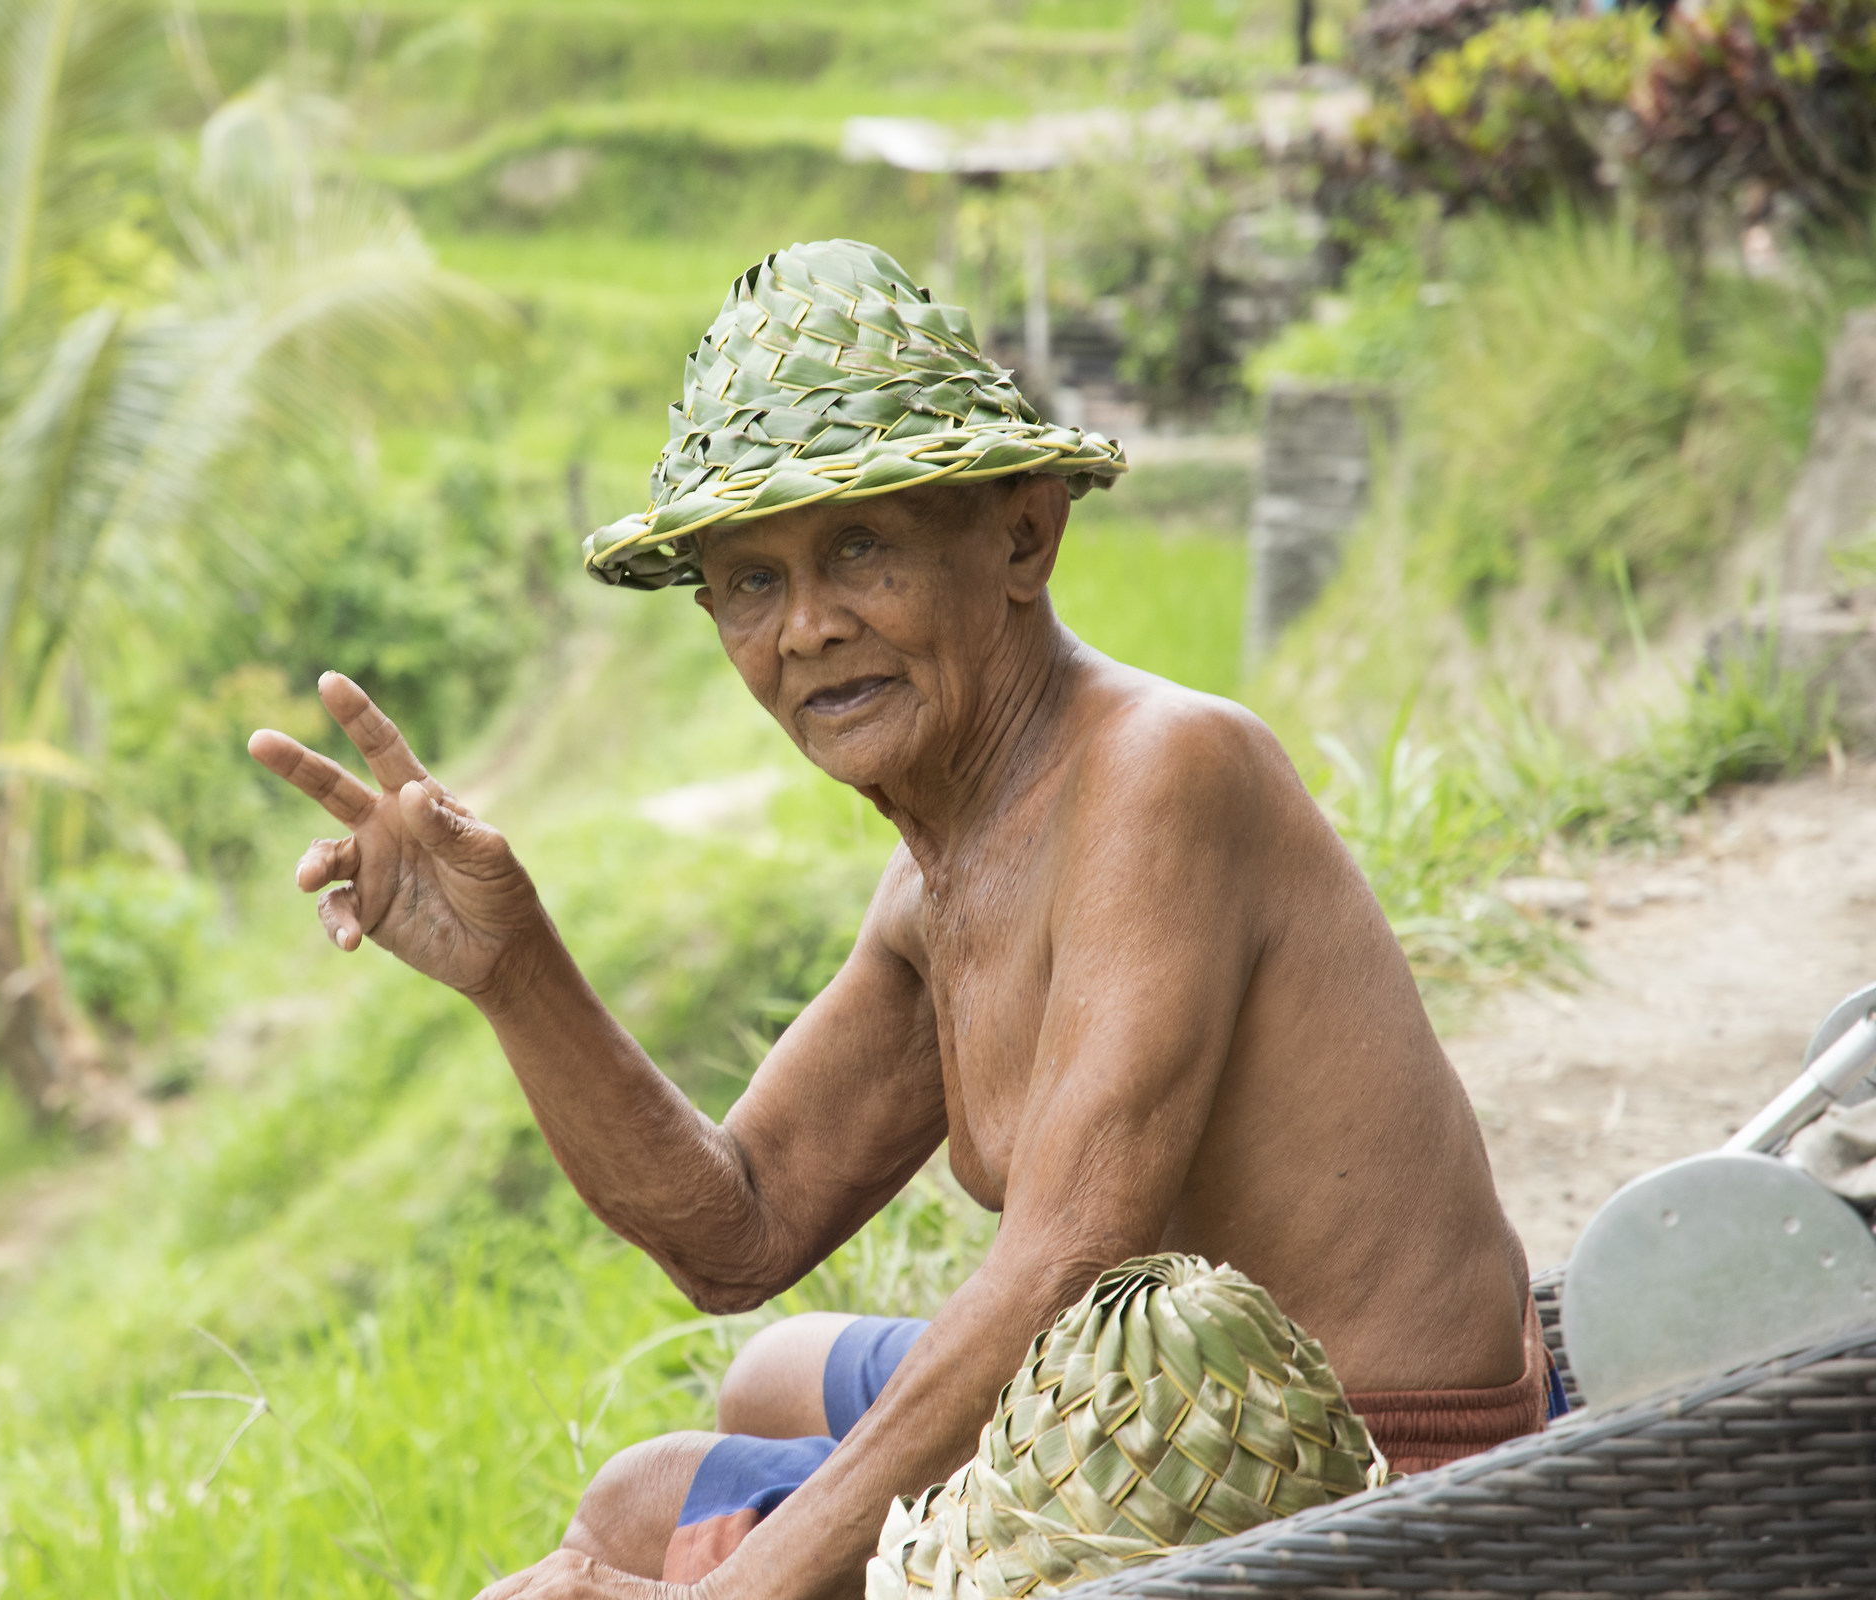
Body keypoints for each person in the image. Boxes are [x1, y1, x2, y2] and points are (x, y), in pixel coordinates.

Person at [248, 240, 1554, 1600]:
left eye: (857, 549)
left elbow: (1064, 1262)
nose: (806, 628)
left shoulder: (1164, 774)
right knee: (766, 1375)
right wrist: (514, 972)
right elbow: (736, 1230)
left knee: (635, 1512)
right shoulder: (943, 872)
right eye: (750, 583)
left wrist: (728, 1594)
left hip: (1328, 1471)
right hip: (1149, 1399)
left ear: (1022, 537)